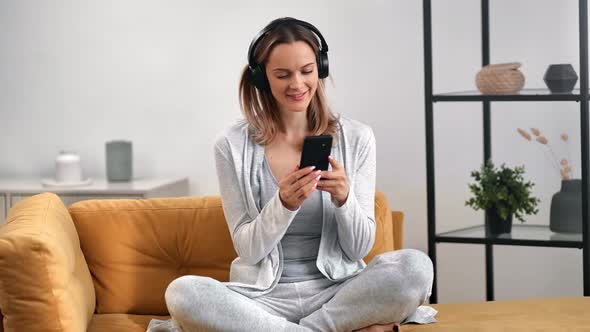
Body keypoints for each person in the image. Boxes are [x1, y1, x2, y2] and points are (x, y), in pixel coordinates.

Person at [148, 17, 437, 332]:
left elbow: (358, 250)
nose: (298, 84)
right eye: (282, 75)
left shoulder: (357, 138)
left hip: (339, 292)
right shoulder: (230, 146)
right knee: (183, 293)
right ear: (262, 79)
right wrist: (283, 204)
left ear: (320, 69)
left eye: (307, 71)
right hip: (263, 299)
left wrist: (344, 199)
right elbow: (249, 250)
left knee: (416, 267)